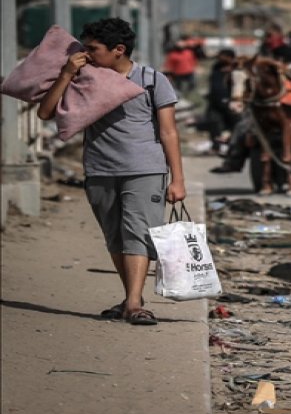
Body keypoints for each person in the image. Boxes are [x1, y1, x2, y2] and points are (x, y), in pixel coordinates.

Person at [38, 18, 186, 326]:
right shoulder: (83, 81)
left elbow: (169, 132)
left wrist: (178, 179)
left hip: (145, 169)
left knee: (138, 234)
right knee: (115, 237)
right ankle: (131, 297)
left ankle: (134, 303)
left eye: (93, 49)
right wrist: (67, 73)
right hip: (100, 169)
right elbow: (45, 112)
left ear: (118, 50)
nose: (86, 55)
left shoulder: (152, 80)